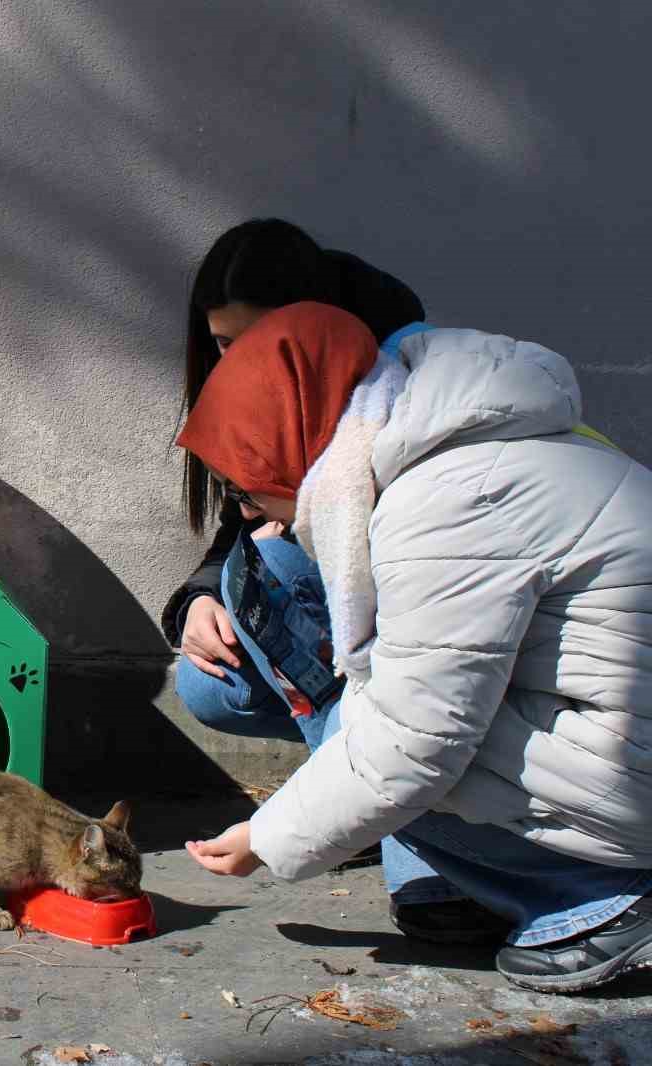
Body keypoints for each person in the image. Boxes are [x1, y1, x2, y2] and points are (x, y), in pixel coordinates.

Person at [177, 301, 652, 993]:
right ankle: (466, 887)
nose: (247, 511)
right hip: (619, 736)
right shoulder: (447, 446)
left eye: (249, 488)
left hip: (631, 766)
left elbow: (416, 743)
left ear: (292, 449)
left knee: (394, 755)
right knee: (288, 602)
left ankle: (604, 902)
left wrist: (270, 837)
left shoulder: (447, 501)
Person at [164, 220, 503, 944]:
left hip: (436, 629)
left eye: (256, 343)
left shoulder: (385, 389)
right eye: (224, 346)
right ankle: (360, 806)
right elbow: (253, 507)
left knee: (292, 586)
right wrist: (200, 596)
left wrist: (287, 831)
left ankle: (416, 857)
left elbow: (412, 694)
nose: (240, 363)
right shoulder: (282, 397)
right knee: (206, 683)